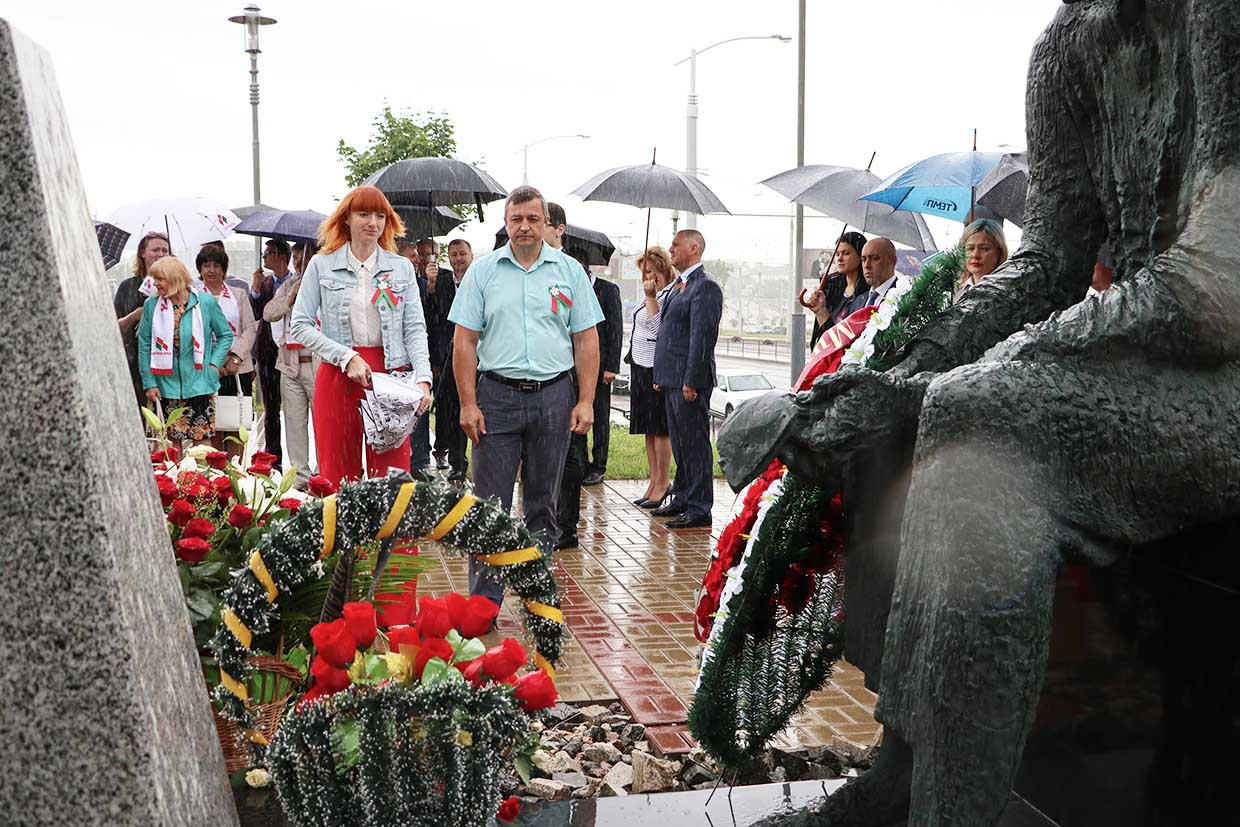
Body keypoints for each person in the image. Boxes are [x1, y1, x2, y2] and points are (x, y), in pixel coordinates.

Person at [450, 185, 602, 605]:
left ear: (547, 224)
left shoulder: (569, 272)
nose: (524, 227)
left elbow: (586, 340)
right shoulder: (483, 273)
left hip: (554, 398)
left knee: (542, 504)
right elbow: (464, 342)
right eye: (516, 219)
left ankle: (537, 596)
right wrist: (468, 402)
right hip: (495, 398)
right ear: (505, 223)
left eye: (533, 219)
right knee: (489, 506)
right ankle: (484, 605)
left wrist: (585, 400)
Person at [289, 185, 432, 485]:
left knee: (391, 481)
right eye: (363, 214)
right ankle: (340, 533)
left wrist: (423, 377)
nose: (373, 223)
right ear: (346, 220)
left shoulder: (402, 269)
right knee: (338, 479)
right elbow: (300, 325)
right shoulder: (321, 265)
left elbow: (415, 328)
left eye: (380, 216)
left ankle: (391, 534)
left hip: (390, 379)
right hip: (338, 375)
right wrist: (345, 356)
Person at [546, 203, 609, 548]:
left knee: (570, 451)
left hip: (569, 375)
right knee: (540, 454)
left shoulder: (571, 272)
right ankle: (544, 517)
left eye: (541, 222)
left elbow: (590, 333)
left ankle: (566, 525)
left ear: (557, 228)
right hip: (540, 377)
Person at [652, 229, 723, 530]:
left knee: (694, 444)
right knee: (680, 444)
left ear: (694, 248)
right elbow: (669, 332)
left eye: (676, 244)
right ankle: (681, 497)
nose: (671, 249)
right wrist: (661, 374)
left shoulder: (705, 288)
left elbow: (701, 338)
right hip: (671, 379)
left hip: (688, 381)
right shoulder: (679, 286)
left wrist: (691, 380)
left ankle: (699, 507)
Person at [137, 257, 233, 447]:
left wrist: (213, 366)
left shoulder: (204, 302)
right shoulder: (151, 305)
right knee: (170, 447)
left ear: (175, 279)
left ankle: (203, 478)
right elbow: (145, 345)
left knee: (203, 447)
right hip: (166, 387)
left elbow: (225, 335)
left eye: (160, 279)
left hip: (200, 385)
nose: (155, 283)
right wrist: (149, 383)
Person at [263, 241, 319, 487]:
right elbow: (268, 313)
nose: (298, 262)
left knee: (323, 424)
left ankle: (323, 472)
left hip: (318, 364)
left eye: (303, 257)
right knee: (294, 424)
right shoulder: (288, 284)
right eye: (295, 258)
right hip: (289, 364)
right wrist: (289, 298)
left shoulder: (324, 283)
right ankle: (300, 477)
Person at [196, 245, 258, 459]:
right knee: (212, 424)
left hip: (237, 367)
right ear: (200, 270)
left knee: (235, 422)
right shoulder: (194, 297)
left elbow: (251, 327)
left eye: (216, 265)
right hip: (206, 369)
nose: (211, 270)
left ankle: (236, 472)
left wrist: (235, 357)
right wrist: (214, 363)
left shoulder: (238, 294)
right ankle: (215, 474)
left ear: (224, 270)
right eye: (206, 266)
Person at [626, 246, 676, 509]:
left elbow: (658, 328)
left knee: (660, 429)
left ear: (661, 270)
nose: (646, 276)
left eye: (649, 271)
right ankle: (653, 480)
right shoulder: (652, 295)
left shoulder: (667, 295)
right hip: (640, 365)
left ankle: (663, 482)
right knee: (647, 428)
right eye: (643, 272)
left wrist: (650, 297)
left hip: (656, 366)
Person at [582, 234, 624, 487]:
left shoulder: (607, 290)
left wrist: (611, 366)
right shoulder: (563, 288)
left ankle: (599, 464)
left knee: (599, 416)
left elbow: (615, 330)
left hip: (600, 367)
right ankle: (580, 463)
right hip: (572, 366)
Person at [250, 239, 293, 471]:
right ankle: (273, 459)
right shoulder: (264, 283)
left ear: (281, 256)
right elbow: (256, 316)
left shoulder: (298, 282)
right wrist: (255, 292)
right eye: (264, 253)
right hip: (267, 352)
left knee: (295, 408)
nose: (265, 258)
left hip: (290, 354)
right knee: (270, 408)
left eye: (269, 254)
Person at [432, 238, 472, 481]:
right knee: (453, 409)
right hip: (449, 357)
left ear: (471, 255)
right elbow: (434, 318)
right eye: (454, 255)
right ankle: (458, 462)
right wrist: (431, 287)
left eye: (462, 254)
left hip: (476, 355)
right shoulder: (443, 282)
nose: (458, 259)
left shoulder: (479, 279)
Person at [115, 231, 170, 408]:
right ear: (143, 253)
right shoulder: (128, 286)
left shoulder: (176, 288)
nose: (160, 254)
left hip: (167, 365)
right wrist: (134, 316)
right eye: (155, 250)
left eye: (165, 250)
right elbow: (114, 328)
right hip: (134, 364)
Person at [806, 231, 868, 348]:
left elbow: (843, 342)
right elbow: (822, 336)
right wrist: (819, 311)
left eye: (846, 253)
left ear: (861, 256)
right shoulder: (830, 287)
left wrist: (822, 313)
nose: (840, 258)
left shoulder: (868, 293)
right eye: (837, 254)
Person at [953, 218, 1009, 302]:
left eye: (984, 248)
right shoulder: (956, 288)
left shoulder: (1007, 291)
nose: (975, 255)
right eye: (970, 248)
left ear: (999, 252)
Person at [858, 237, 900, 306]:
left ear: (892, 261)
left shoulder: (904, 298)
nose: (866, 265)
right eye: (863, 259)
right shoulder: (857, 302)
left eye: (874, 258)